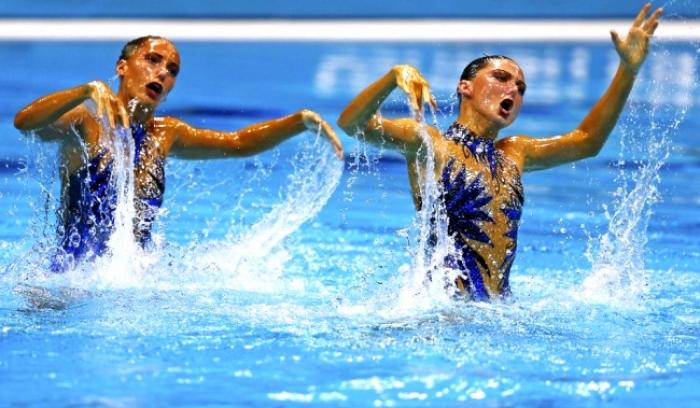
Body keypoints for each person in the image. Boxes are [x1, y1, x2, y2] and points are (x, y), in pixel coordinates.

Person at [337, 5, 662, 300]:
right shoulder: (429, 143)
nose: (513, 90)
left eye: (520, 88)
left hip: (500, 310)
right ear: (465, 87)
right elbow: (353, 124)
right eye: (501, 78)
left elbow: (588, 140)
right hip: (442, 313)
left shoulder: (514, 153)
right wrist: (393, 77)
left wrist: (628, 70)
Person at [14, 36, 344, 272]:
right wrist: (84, 91)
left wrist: (299, 121)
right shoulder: (87, 122)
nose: (162, 73)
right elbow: (26, 123)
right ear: (122, 67)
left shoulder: (165, 133)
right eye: (152, 60)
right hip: (70, 279)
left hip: (134, 280)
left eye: (172, 70)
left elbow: (238, 142)